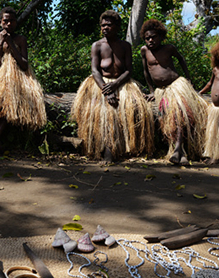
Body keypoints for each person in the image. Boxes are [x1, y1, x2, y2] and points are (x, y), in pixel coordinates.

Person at [71, 10, 154, 162]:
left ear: (117, 27)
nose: (105, 28)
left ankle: (128, 147)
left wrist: (115, 84)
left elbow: (129, 70)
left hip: (122, 83)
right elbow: (95, 70)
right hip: (100, 83)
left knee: (134, 108)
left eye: (109, 25)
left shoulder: (125, 46)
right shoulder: (97, 46)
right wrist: (106, 90)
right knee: (104, 111)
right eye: (103, 26)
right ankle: (103, 148)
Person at [0, 7, 46, 157]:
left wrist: (11, 44)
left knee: (9, 106)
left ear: (16, 23)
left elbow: (24, 64)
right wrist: (1, 43)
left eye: (12, 21)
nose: (9, 24)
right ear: (0, 22)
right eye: (5, 21)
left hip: (17, 78)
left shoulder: (20, 39)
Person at [140, 19, 206, 165]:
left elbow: (181, 60)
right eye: (147, 38)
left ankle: (178, 148)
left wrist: (188, 78)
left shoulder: (169, 48)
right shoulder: (144, 50)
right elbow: (146, 71)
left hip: (176, 85)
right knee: (167, 114)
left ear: (161, 37)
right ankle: (179, 151)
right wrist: (152, 91)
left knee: (179, 111)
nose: (150, 40)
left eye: (153, 37)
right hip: (161, 91)